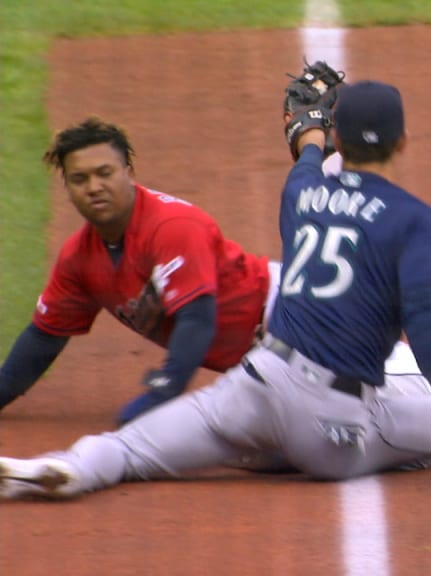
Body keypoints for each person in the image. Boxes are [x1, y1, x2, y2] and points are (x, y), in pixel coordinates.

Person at [0, 79, 431, 500]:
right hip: (333, 428)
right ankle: (281, 453)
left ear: (340, 145)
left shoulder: (301, 193)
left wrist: (308, 135)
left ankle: (67, 468)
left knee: (131, 449)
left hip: (254, 384)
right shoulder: (420, 221)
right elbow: (424, 313)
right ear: (404, 141)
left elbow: (307, 163)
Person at [0, 117, 274, 424]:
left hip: (296, 315)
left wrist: (162, 391)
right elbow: (44, 338)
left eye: (105, 173)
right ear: (67, 187)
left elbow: (197, 318)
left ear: (128, 173)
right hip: (265, 358)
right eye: (80, 179)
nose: (94, 188)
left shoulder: (172, 227)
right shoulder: (78, 259)